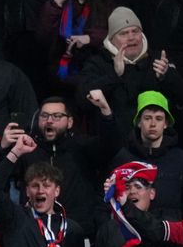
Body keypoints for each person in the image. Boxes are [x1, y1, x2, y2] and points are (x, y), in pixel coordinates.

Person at [14, 94, 121, 238]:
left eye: (57, 116)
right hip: (35, 234)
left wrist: (105, 111)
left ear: (70, 122)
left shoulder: (82, 147)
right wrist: (3, 147)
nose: (49, 120)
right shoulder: (27, 150)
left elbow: (111, 146)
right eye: (44, 115)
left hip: (78, 234)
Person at [77, 7, 183, 132]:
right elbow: (83, 100)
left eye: (135, 31)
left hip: (158, 142)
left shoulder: (159, 60)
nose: (131, 37)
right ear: (111, 40)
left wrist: (168, 76)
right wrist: (114, 75)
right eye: (124, 33)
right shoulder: (98, 62)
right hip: (113, 142)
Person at [110, 91, 183, 223]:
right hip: (131, 234)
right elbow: (106, 200)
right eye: (147, 118)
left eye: (158, 118)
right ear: (139, 122)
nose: (153, 124)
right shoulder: (123, 158)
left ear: (166, 124)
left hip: (171, 236)